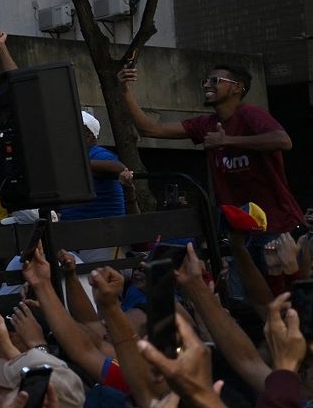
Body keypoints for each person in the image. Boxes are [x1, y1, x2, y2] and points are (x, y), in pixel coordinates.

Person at [119, 63, 302, 278]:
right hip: (239, 232)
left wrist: (228, 140)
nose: (207, 84)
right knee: (246, 301)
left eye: (215, 81)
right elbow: (150, 129)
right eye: (205, 80)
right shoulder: (206, 124)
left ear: (237, 88)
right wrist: (123, 91)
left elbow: (283, 140)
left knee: (283, 294)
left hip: (275, 226)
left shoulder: (251, 114)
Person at [59, 110, 135, 262]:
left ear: (88, 136)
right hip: (79, 238)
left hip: (103, 238)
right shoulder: (70, 158)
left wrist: (72, 162)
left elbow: (119, 168)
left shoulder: (98, 153)